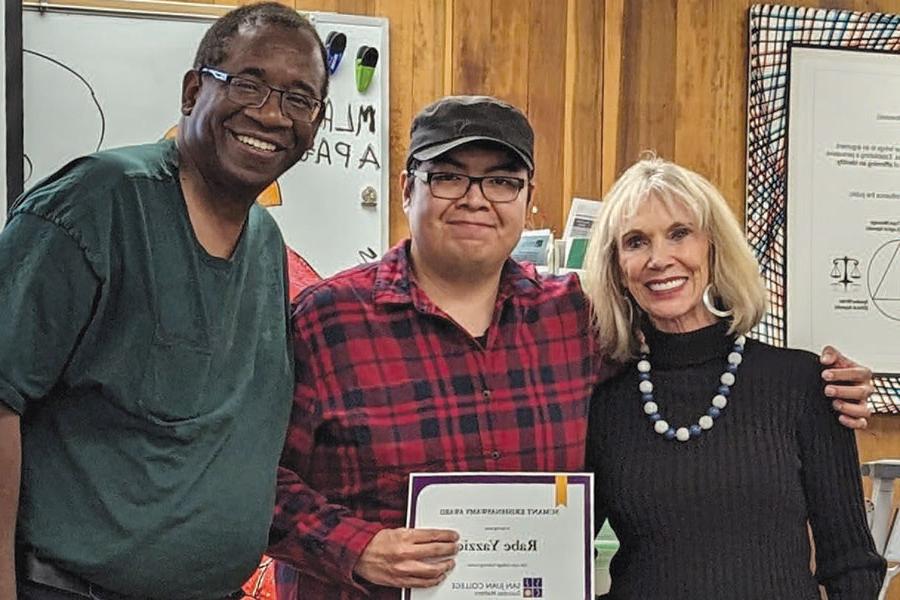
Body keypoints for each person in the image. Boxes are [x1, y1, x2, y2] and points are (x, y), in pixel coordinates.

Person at [267, 95, 876, 600]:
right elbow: (251, 483)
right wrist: (360, 548)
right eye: (449, 175)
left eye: (502, 181)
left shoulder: (570, 321)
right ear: (407, 189)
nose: (477, 198)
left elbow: (699, 355)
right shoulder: (326, 320)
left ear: (528, 200)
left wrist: (827, 383)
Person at [0, 3, 328, 599]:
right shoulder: (97, 203)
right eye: (249, 83)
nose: (271, 114)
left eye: (299, 99)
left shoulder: (266, 246)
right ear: (193, 90)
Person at [583, 156, 886, 599]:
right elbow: (561, 549)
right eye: (636, 241)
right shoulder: (606, 402)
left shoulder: (805, 385)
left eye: (679, 233)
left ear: (712, 246)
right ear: (617, 267)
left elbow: (852, 564)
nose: (659, 258)